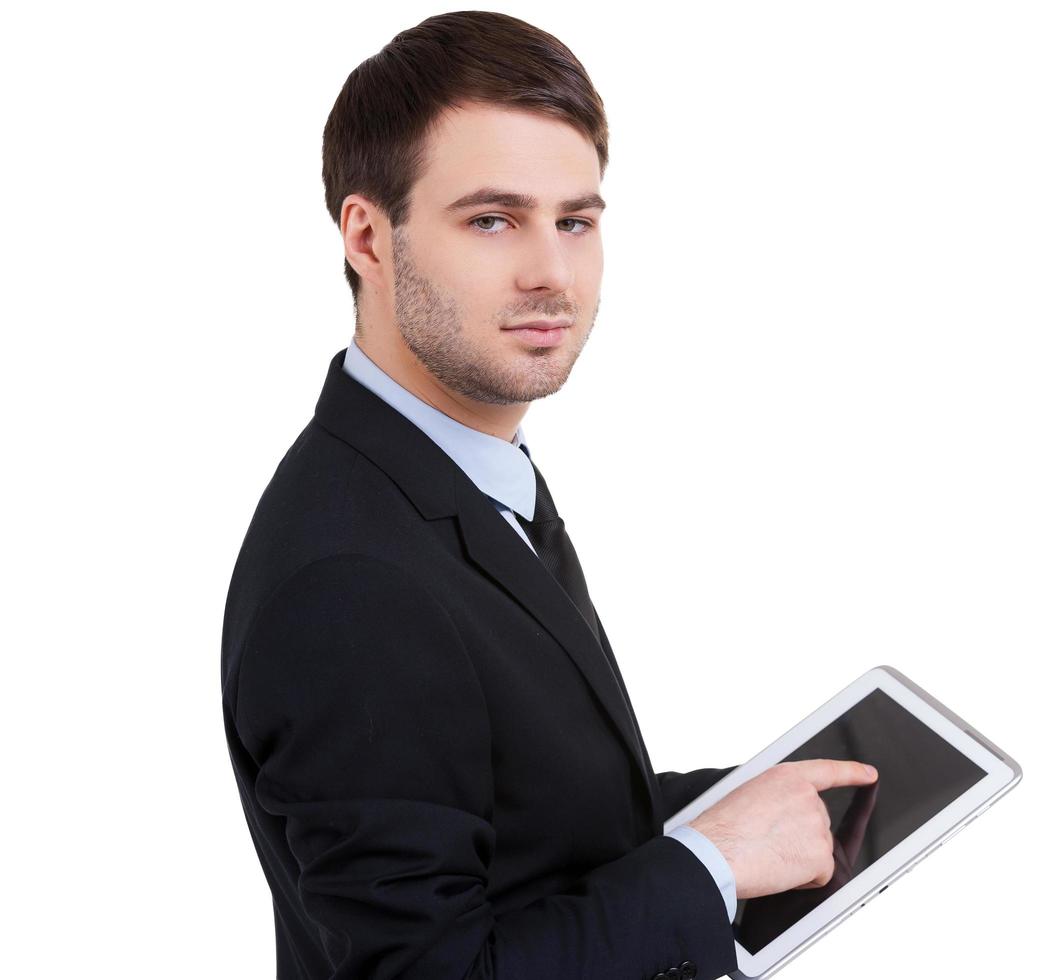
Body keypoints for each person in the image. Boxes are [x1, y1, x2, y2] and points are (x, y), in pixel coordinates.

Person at [220, 11, 878, 980]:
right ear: (367, 234)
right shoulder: (349, 582)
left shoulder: (464, 472)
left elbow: (509, 829)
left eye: (575, 220)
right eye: (492, 219)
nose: (552, 273)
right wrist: (711, 865)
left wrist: (730, 809)